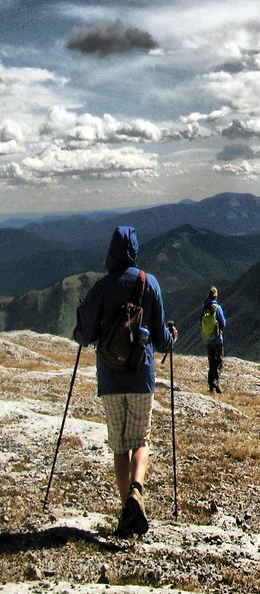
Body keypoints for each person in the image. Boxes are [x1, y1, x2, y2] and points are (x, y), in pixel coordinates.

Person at [73, 225, 177, 538]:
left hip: (110, 378)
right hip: (141, 375)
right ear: (134, 250)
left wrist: (79, 327)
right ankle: (137, 491)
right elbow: (160, 340)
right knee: (140, 441)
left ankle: (125, 512)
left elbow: (85, 336)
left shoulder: (101, 288)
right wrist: (171, 338)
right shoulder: (150, 284)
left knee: (119, 447)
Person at [200, 286, 227, 393]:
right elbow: (223, 323)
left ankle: (212, 386)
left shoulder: (204, 308)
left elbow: (200, 321)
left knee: (211, 363)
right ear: (216, 296)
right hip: (217, 339)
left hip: (207, 339)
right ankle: (215, 382)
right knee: (219, 361)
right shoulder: (217, 308)